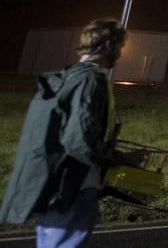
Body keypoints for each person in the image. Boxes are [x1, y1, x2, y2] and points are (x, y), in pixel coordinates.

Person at [1, 19, 136, 246]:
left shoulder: (66, 76)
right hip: (73, 186)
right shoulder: (90, 80)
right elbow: (78, 141)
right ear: (110, 45)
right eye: (121, 47)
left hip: (51, 181)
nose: (121, 54)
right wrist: (117, 159)